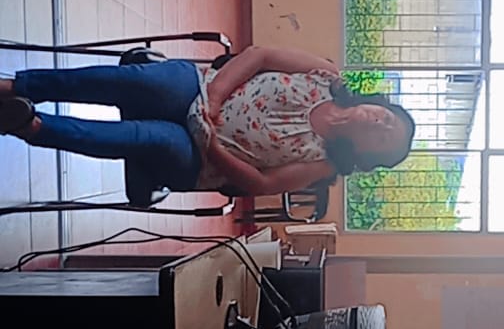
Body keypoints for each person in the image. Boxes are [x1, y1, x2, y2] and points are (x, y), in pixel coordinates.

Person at [0, 45, 415, 198]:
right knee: (137, 82)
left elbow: (261, 184)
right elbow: (260, 55)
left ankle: (32, 126)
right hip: (200, 87)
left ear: (368, 155)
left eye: (384, 137)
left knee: (147, 137)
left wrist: (211, 144)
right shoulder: (325, 76)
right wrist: (214, 97)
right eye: (387, 118)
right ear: (378, 103)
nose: (379, 124)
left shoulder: (324, 163)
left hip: (199, 158)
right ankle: (16, 85)